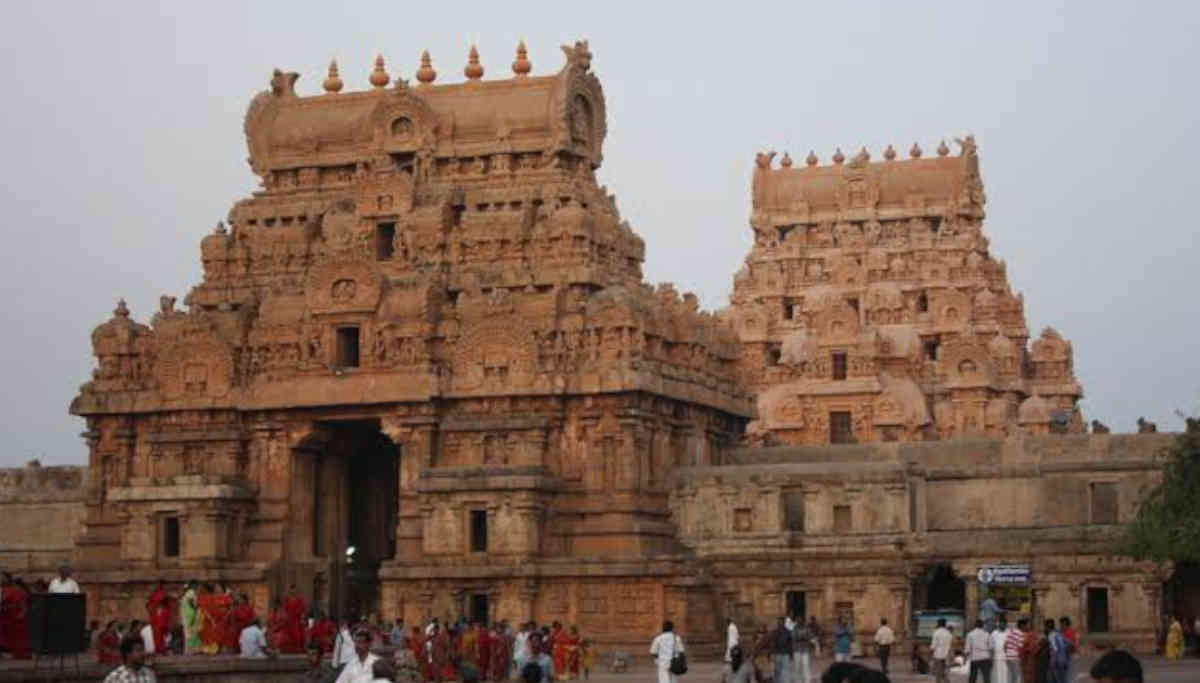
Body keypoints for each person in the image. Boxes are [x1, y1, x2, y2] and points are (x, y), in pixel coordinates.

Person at [0, 572, 31, 659]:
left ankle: (19, 654)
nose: (1, 579)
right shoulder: (3, 589)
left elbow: (23, 603)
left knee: (16, 637)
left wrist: (22, 613)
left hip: (12, 616)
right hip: (4, 616)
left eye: (3, 578)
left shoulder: (17, 590)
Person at [146, 581, 170, 653]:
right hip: (157, 618)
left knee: (160, 634)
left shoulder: (160, 594)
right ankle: (159, 649)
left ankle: (161, 649)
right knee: (157, 634)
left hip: (160, 617)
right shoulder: (156, 594)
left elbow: (164, 603)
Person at [965, 619, 993, 683]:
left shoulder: (970, 634)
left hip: (975, 658)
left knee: (973, 676)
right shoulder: (987, 634)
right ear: (982, 625)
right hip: (985, 657)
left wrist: (965, 659)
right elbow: (991, 648)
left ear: (975, 625)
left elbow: (967, 648)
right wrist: (991, 658)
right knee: (986, 677)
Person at [284, 585, 309, 654]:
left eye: (294, 590)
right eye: (291, 590)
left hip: (297, 620)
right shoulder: (287, 599)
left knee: (298, 634)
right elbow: (285, 609)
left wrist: (302, 618)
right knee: (288, 634)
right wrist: (286, 617)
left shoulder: (300, 599)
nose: (292, 591)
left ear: (296, 590)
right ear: (290, 590)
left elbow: (303, 609)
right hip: (289, 620)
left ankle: (300, 648)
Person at [770, 616, 794, 683]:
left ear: (784, 623)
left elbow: (790, 644)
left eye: (781, 622)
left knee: (785, 671)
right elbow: (772, 643)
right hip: (776, 654)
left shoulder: (788, 632)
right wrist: (771, 653)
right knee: (777, 671)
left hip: (785, 653)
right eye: (778, 622)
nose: (779, 623)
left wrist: (791, 653)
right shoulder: (774, 632)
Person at [1003, 618, 1028, 683]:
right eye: (1026, 626)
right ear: (1022, 626)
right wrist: (1021, 658)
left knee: (1011, 675)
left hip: (1008, 657)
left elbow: (1005, 645)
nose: (1026, 627)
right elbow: (1020, 648)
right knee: (1018, 676)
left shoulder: (1011, 632)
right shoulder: (1021, 635)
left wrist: (1007, 654)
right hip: (1015, 657)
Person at [178, 581, 200, 655]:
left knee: (188, 633)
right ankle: (191, 651)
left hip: (186, 615)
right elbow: (191, 601)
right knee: (191, 633)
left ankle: (189, 650)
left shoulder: (185, 594)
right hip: (190, 615)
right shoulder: (191, 592)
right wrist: (195, 608)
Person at [931, 618, 953, 683]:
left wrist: (930, 654)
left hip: (938, 655)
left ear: (939, 624)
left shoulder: (936, 632)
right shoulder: (949, 633)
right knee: (944, 672)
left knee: (938, 673)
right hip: (946, 655)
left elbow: (933, 645)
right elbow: (950, 644)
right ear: (945, 624)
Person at [792, 617, 813, 683]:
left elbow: (810, 637)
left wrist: (802, 637)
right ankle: (798, 681)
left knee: (806, 666)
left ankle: (807, 680)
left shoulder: (807, 628)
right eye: (798, 621)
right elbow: (794, 637)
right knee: (797, 666)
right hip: (797, 649)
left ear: (803, 622)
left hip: (805, 649)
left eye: (800, 621)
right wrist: (803, 637)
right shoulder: (794, 628)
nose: (799, 622)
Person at [991, 618, 1010, 683]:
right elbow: (991, 645)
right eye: (1001, 623)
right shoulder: (994, 633)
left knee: (1005, 673)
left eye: (1003, 624)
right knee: (997, 673)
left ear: (1006, 624)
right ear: (998, 624)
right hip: (997, 656)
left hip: (1006, 656)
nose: (1002, 625)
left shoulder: (1009, 632)